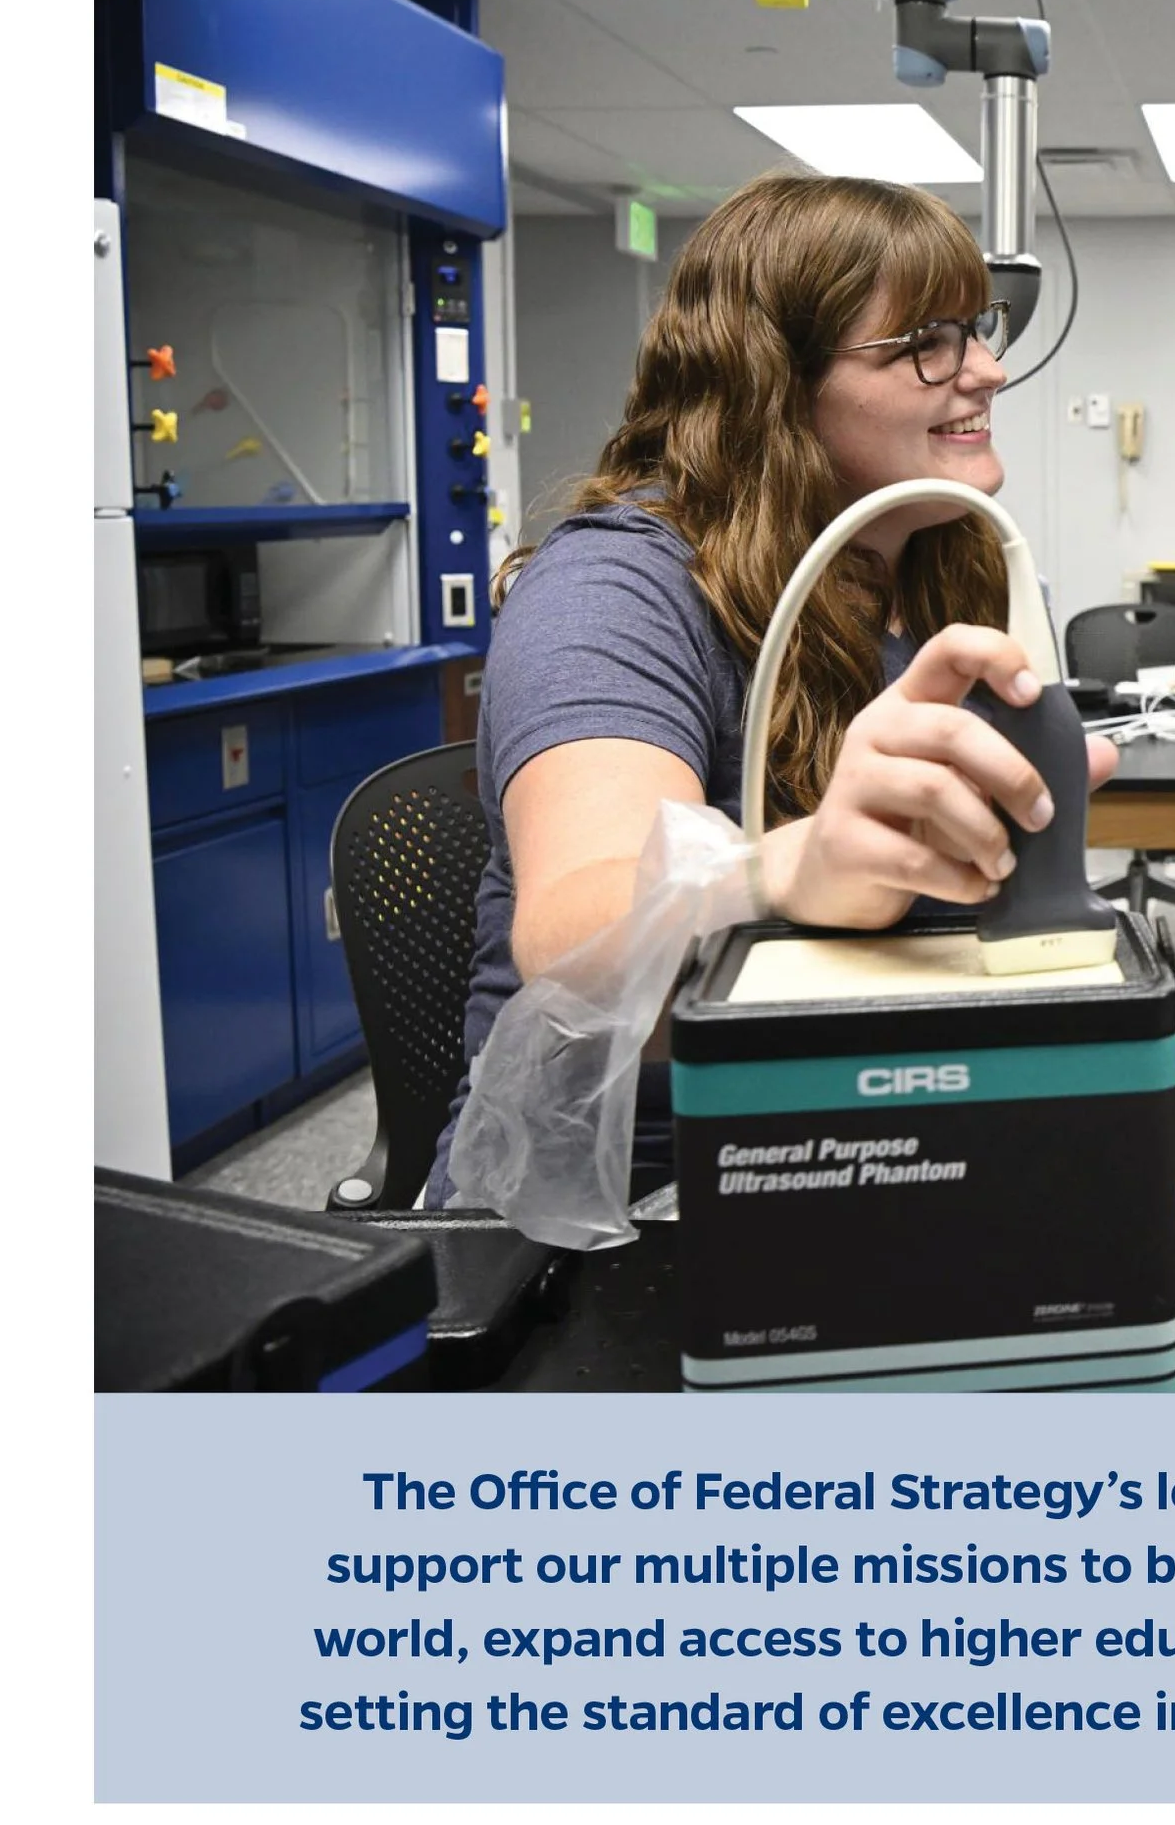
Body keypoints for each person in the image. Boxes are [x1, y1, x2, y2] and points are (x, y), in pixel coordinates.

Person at [429, 170, 1121, 1206]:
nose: (985, 371)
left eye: (979, 328)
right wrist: (783, 869)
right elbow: (567, 934)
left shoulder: (945, 563)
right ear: (775, 379)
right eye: (928, 340)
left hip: (884, 1109)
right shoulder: (615, 586)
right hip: (631, 1185)